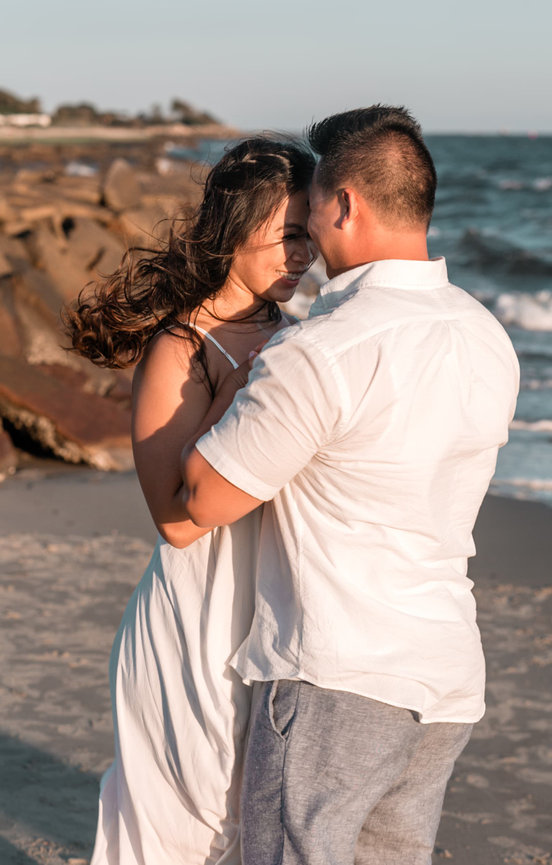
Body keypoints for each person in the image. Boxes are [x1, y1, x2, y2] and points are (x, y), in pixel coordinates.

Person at [182, 106, 520, 865]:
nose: (307, 235)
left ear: (344, 205)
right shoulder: (485, 335)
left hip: (337, 671)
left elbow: (202, 498)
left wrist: (231, 375)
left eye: (309, 211)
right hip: (445, 673)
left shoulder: (323, 349)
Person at [64, 137, 316, 865]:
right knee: (189, 824)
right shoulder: (179, 349)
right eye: (287, 235)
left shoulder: (298, 338)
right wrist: (242, 390)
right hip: (195, 616)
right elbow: (174, 522)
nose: (303, 255)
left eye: (310, 235)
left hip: (276, 611)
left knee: (252, 819)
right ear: (234, 230)